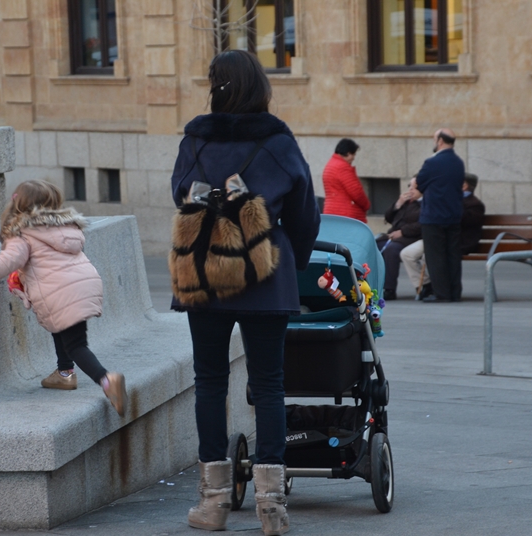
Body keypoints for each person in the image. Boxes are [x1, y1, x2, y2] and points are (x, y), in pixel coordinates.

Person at [170, 50, 320, 535]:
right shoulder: (277, 140)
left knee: (210, 381)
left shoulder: (195, 138)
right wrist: (288, 260)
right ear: (260, 87)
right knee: (270, 385)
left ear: (215, 86)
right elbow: (303, 213)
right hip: (264, 272)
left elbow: (179, 192)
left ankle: (213, 505)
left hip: (206, 275)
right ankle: (271, 509)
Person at [0, 180, 129, 416]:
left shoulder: (23, 232)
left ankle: (107, 380)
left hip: (59, 290)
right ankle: (64, 374)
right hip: (84, 285)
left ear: (18, 202)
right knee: (62, 327)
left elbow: (7, 261)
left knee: (76, 344)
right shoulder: (65, 228)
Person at [403, 173, 485, 300]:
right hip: (437, 237)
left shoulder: (474, 204)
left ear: (463, 186)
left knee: (430, 256)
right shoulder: (451, 200)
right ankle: (426, 285)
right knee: (407, 253)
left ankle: (439, 289)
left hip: (457, 241)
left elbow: (463, 221)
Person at [413, 128, 465, 302]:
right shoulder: (458, 162)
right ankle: (455, 292)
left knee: (436, 258)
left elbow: (419, 183)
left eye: (434, 139)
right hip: (454, 216)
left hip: (433, 217)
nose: (434, 142)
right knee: (452, 256)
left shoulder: (432, 163)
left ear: (440, 141)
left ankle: (442, 294)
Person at [375, 178, 422, 300]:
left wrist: (403, 231)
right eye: (409, 186)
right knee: (375, 246)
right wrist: (397, 204)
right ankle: (371, 285)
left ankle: (389, 289)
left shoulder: (425, 204)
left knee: (391, 250)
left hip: (410, 238)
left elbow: (421, 225)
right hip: (393, 236)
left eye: (414, 187)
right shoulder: (406, 203)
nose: (411, 190)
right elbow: (389, 218)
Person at [322, 138, 370, 222]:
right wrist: (366, 205)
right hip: (347, 215)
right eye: (353, 154)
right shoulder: (343, 168)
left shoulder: (330, 165)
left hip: (331, 211)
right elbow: (356, 192)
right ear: (348, 153)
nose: (354, 158)